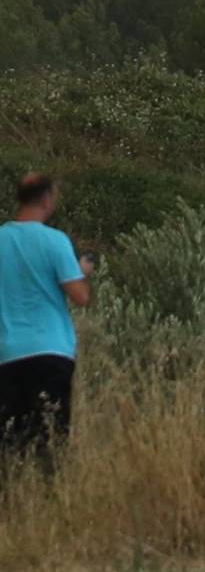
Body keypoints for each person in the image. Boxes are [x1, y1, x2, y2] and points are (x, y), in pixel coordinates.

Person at [0, 172, 92, 459]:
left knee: (11, 445)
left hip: (8, 353)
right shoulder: (55, 241)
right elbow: (80, 296)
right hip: (51, 351)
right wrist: (83, 273)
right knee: (51, 441)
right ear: (46, 199)